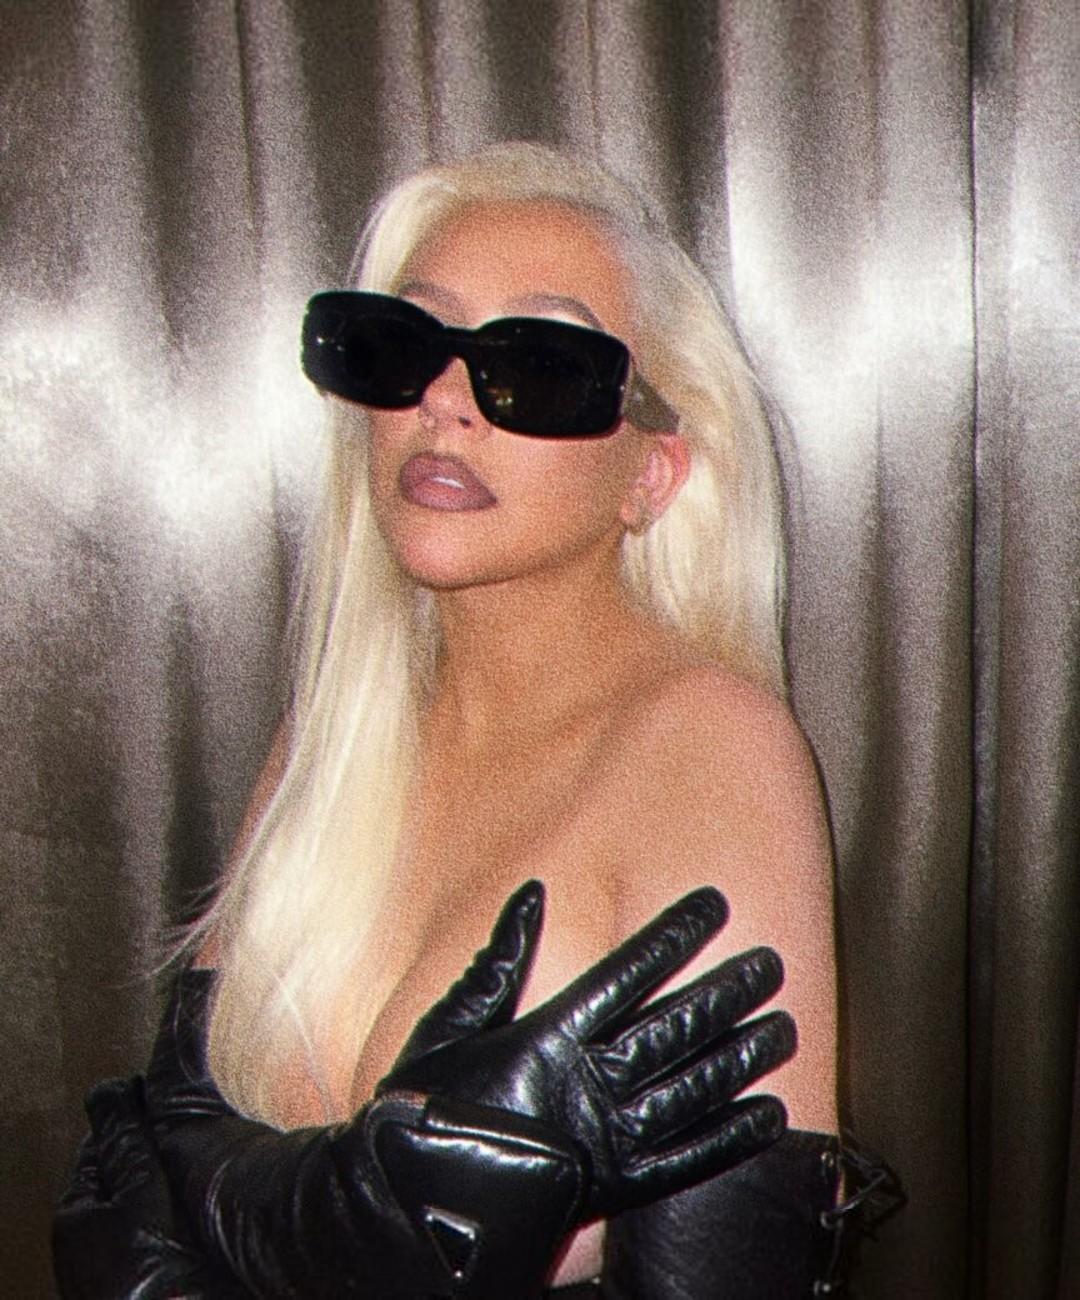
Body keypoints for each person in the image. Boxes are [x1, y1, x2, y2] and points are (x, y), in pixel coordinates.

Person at [55, 142, 859, 1296]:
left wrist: (272, 1212)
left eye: (538, 365)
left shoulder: (709, 750)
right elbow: (121, 1197)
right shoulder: (336, 736)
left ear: (653, 472)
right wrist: (341, 1211)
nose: (444, 401)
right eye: (404, 346)